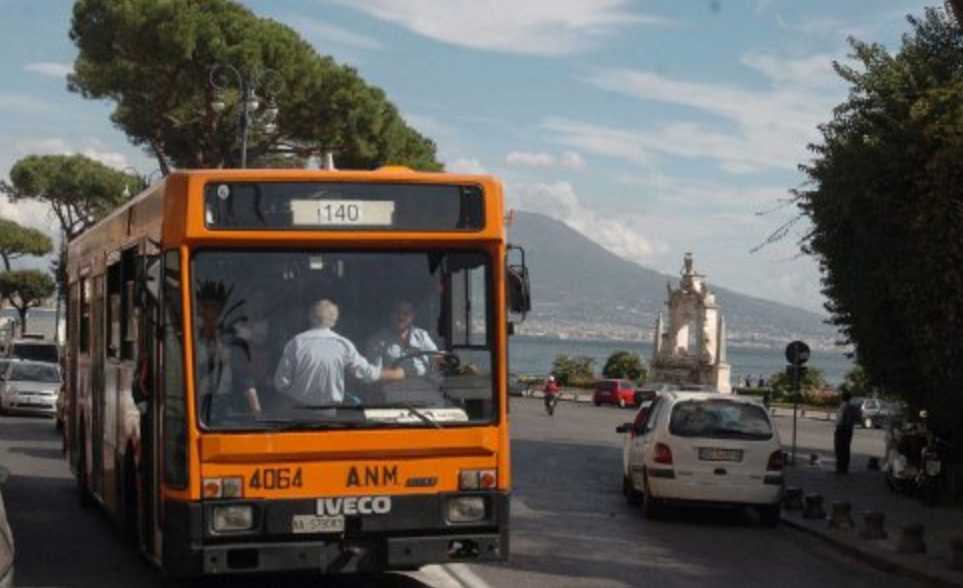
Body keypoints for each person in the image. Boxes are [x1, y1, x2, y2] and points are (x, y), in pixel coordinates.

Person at [274, 299, 405, 406]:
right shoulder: (342, 344)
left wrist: (294, 401)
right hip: (330, 415)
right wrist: (396, 373)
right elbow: (367, 375)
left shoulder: (295, 343)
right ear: (335, 320)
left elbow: (281, 383)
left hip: (297, 415)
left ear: (310, 317)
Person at [194, 280, 260, 422]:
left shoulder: (231, 340)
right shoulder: (189, 341)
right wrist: (211, 360)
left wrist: (257, 412)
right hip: (195, 403)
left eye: (217, 314)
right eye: (206, 313)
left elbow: (244, 377)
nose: (211, 320)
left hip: (225, 403)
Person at [366, 300, 440, 376]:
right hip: (393, 386)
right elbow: (375, 375)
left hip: (427, 386)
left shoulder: (422, 336)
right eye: (398, 312)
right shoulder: (376, 341)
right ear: (391, 314)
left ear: (412, 316)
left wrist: (440, 361)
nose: (401, 317)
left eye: (406, 314)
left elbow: (437, 358)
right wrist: (397, 374)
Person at [834, 391, 860, 473]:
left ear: (842, 397)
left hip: (841, 428)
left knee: (839, 448)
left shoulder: (843, 406)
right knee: (846, 448)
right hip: (849, 429)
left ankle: (840, 468)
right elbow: (858, 416)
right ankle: (844, 468)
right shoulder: (853, 407)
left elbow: (840, 420)